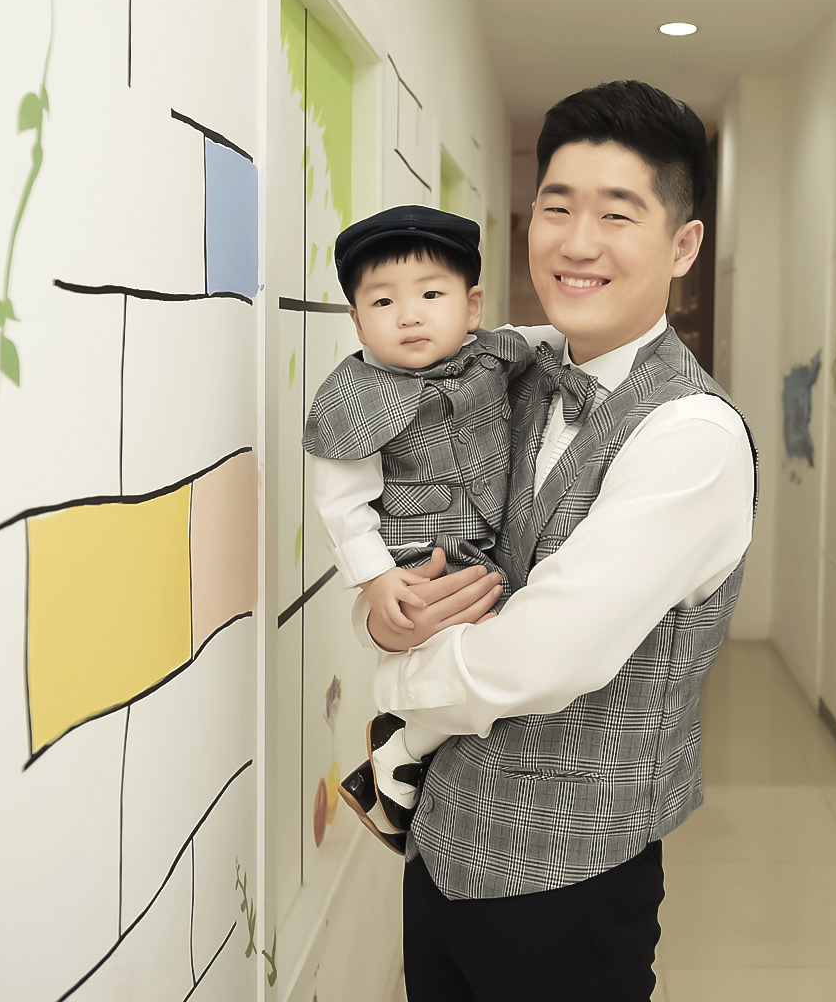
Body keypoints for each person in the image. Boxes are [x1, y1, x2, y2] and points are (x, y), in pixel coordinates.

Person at [356, 80, 757, 1001]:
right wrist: (384, 613)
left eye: (618, 214)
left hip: (570, 885)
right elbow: (407, 540)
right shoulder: (508, 374)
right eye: (557, 207)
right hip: (440, 849)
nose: (577, 243)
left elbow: (543, 658)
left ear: (683, 244)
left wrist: (392, 684)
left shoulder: (691, 436)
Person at [302, 205, 538, 852]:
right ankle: (401, 750)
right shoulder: (354, 397)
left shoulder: (492, 355)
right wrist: (377, 580)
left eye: (431, 295)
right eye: (383, 301)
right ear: (357, 321)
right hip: (416, 558)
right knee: (483, 658)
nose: (409, 315)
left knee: (492, 660)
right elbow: (341, 504)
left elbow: (551, 340)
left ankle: (397, 757)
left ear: (471, 306)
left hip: (485, 547)